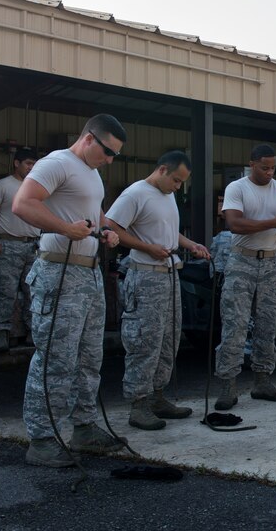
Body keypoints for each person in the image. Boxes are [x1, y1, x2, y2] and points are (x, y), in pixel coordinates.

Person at [12, 114, 127, 468]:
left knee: (90, 357)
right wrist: (66, 228)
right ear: (90, 139)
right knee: (56, 359)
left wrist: (105, 229)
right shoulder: (57, 163)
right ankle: (43, 439)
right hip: (59, 272)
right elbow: (23, 203)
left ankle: (84, 427)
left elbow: (91, 212)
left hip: (88, 274)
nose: (110, 161)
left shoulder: (91, 172)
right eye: (108, 152)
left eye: (115, 156)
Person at [106, 151, 211, 431]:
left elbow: (166, 231)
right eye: (176, 180)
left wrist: (190, 245)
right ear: (162, 170)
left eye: (181, 183)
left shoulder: (167, 195)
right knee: (145, 341)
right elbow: (111, 227)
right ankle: (138, 404)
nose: (178, 187)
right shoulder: (135, 193)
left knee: (168, 340)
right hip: (146, 277)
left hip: (169, 276)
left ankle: (158, 397)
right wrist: (147, 247)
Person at [214, 144, 276, 409]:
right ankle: (228, 384)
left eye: (273, 167)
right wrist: (273, 222)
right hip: (241, 259)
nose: (269, 172)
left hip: (271, 263)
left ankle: (262, 380)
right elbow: (234, 223)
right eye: (264, 167)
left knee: (269, 323)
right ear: (251, 164)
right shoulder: (237, 188)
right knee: (235, 325)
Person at [0, 147, 41, 353]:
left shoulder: (38, 188)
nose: (31, 168)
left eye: (34, 164)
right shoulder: (3, 186)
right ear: (17, 163)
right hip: (8, 245)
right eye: (28, 163)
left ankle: (33, 333)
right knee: (5, 292)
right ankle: (0, 334)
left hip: (34, 245)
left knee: (34, 291)